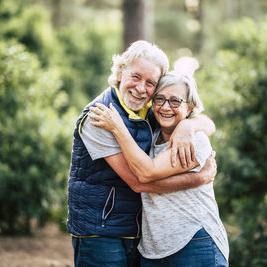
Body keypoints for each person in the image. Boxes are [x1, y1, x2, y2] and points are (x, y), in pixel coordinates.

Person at [67, 40, 217, 267]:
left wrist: (189, 126)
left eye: (150, 83)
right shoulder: (100, 117)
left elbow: (204, 121)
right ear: (120, 71)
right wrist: (197, 178)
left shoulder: (150, 110)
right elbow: (138, 180)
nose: (140, 88)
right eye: (135, 77)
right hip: (100, 231)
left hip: (136, 232)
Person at [89, 71, 229, 266]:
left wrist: (117, 127)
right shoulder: (151, 136)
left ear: (189, 107)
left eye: (174, 101)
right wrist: (197, 177)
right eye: (160, 99)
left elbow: (147, 173)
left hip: (195, 241)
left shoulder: (195, 141)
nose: (165, 107)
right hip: (153, 252)